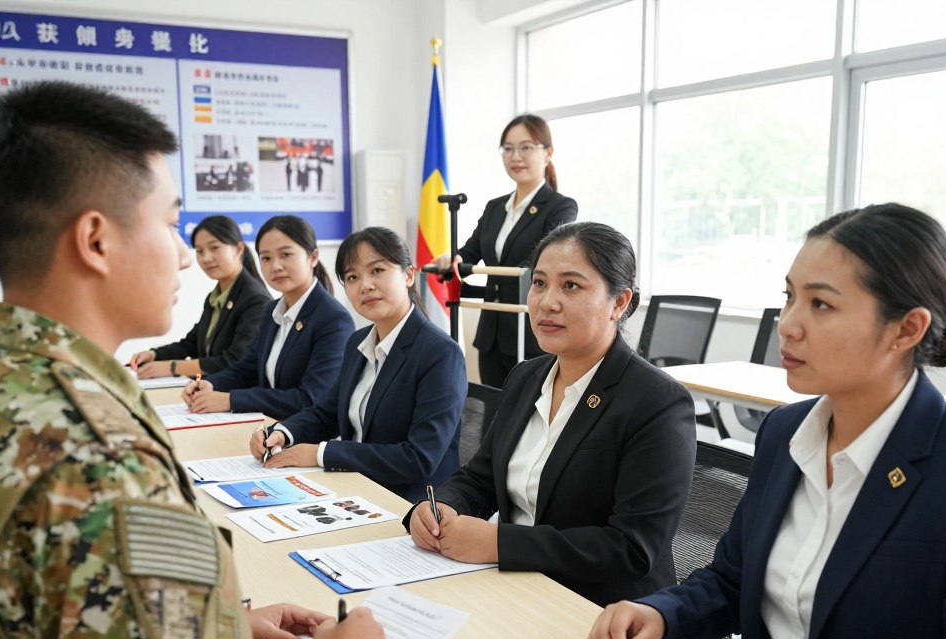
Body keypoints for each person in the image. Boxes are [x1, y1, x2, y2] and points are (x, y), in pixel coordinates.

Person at [0, 81, 386, 639]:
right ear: (95, 239)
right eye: (171, 224)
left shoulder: (18, 379)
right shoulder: (95, 457)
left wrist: (219, 627)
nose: (185, 254)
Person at [588, 203, 946, 639]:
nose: (787, 323)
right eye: (789, 296)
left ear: (906, 329)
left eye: (821, 304)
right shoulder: (786, 432)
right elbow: (734, 581)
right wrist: (663, 613)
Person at [409, 222, 696, 605]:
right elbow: (480, 479)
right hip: (515, 589)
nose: (547, 302)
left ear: (619, 303)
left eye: (571, 286)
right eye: (540, 283)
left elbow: (630, 548)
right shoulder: (526, 377)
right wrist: (439, 506)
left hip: (602, 611)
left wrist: (498, 543)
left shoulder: (657, 402)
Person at [252, 226, 467, 502]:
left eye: (377, 271)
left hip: (412, 507)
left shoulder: (440, 353)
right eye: (352, 277)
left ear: (409, 275)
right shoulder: (358, 342)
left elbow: (418, 459)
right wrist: (280, 433)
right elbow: (327, 414)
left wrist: (321, 453)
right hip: (355, 489)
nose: (365, 285)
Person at [436, 114, 578, 387]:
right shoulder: (494, 207)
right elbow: (471, 249)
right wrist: (455, 259)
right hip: (491, 333)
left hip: (530, 331)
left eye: (526, 147)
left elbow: (542, 257)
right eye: (508, 149)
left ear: (547, 153)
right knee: (493, 413)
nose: (516, 156)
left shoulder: (560, 206)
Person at [182, 215, 353, 421]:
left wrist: (231, 400)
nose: (275, 266)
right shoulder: (273, 311)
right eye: (266, 258)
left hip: (306, 441)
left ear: (313, 257)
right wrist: (209, 383)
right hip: (269, 429)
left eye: (286, 254)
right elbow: (248, 368)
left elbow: (310, 399)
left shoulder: (334, 320)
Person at [129, 215, 272, 378]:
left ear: (239, 249)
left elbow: (235, 361)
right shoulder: (216, 297)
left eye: (214, 248)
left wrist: (173, 367)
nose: (206, 258)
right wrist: (154, 354)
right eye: (199, 251)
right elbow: (192, 344)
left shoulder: (256, 300)